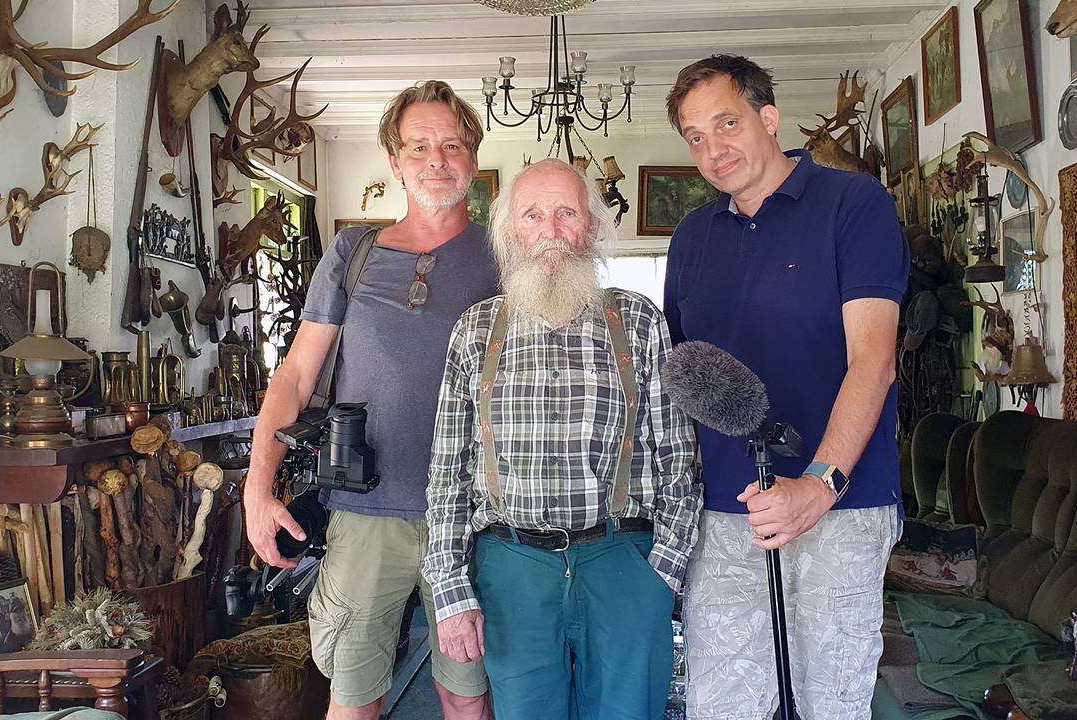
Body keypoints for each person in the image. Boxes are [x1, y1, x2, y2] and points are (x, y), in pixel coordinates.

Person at [244, 80, 499, 720]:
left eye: (451, 144)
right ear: (394, 160)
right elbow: (295, 377)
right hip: (365, 514)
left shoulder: (507, 256)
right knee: (355, 698)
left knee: (466, 695)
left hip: (476, 517)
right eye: (418, 146)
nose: (435, 159)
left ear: (472, 156)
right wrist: (258, 488)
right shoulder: (352, 253)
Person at [663, 55, 909, 719]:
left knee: (829, 702)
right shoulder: (691, 237)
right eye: (695, 136)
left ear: (768, 118)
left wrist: (819, 482)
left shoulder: (854, 205)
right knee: (722, 705)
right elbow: (685, 369)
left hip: (841, 503)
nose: (713, 148)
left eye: (727, 123)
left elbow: (875, 361)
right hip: (726, 510)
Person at [424, 159, 702, 720]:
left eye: (566, 213)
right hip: (511, 569)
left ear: (592, 227)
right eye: (532, 215)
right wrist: (452, 591)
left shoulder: (639, 321)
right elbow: (446, 475)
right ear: (509, 234)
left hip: (623, 561)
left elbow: (679, 457)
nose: (550, 230)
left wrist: (662, 577)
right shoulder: (476, 330)